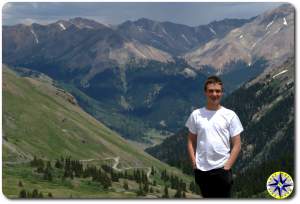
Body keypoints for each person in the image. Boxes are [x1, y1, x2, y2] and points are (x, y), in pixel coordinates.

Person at [185, 75, 244, 198]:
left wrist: (227, 167)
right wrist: (194, 164)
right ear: (205, 92)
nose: (214, 94)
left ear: (222, 93)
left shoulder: (230, 115)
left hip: (222, 169)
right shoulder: (196, 115)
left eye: (218, 91)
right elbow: (190, 141)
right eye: (211, 91)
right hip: (201, 170)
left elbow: (237, 144)